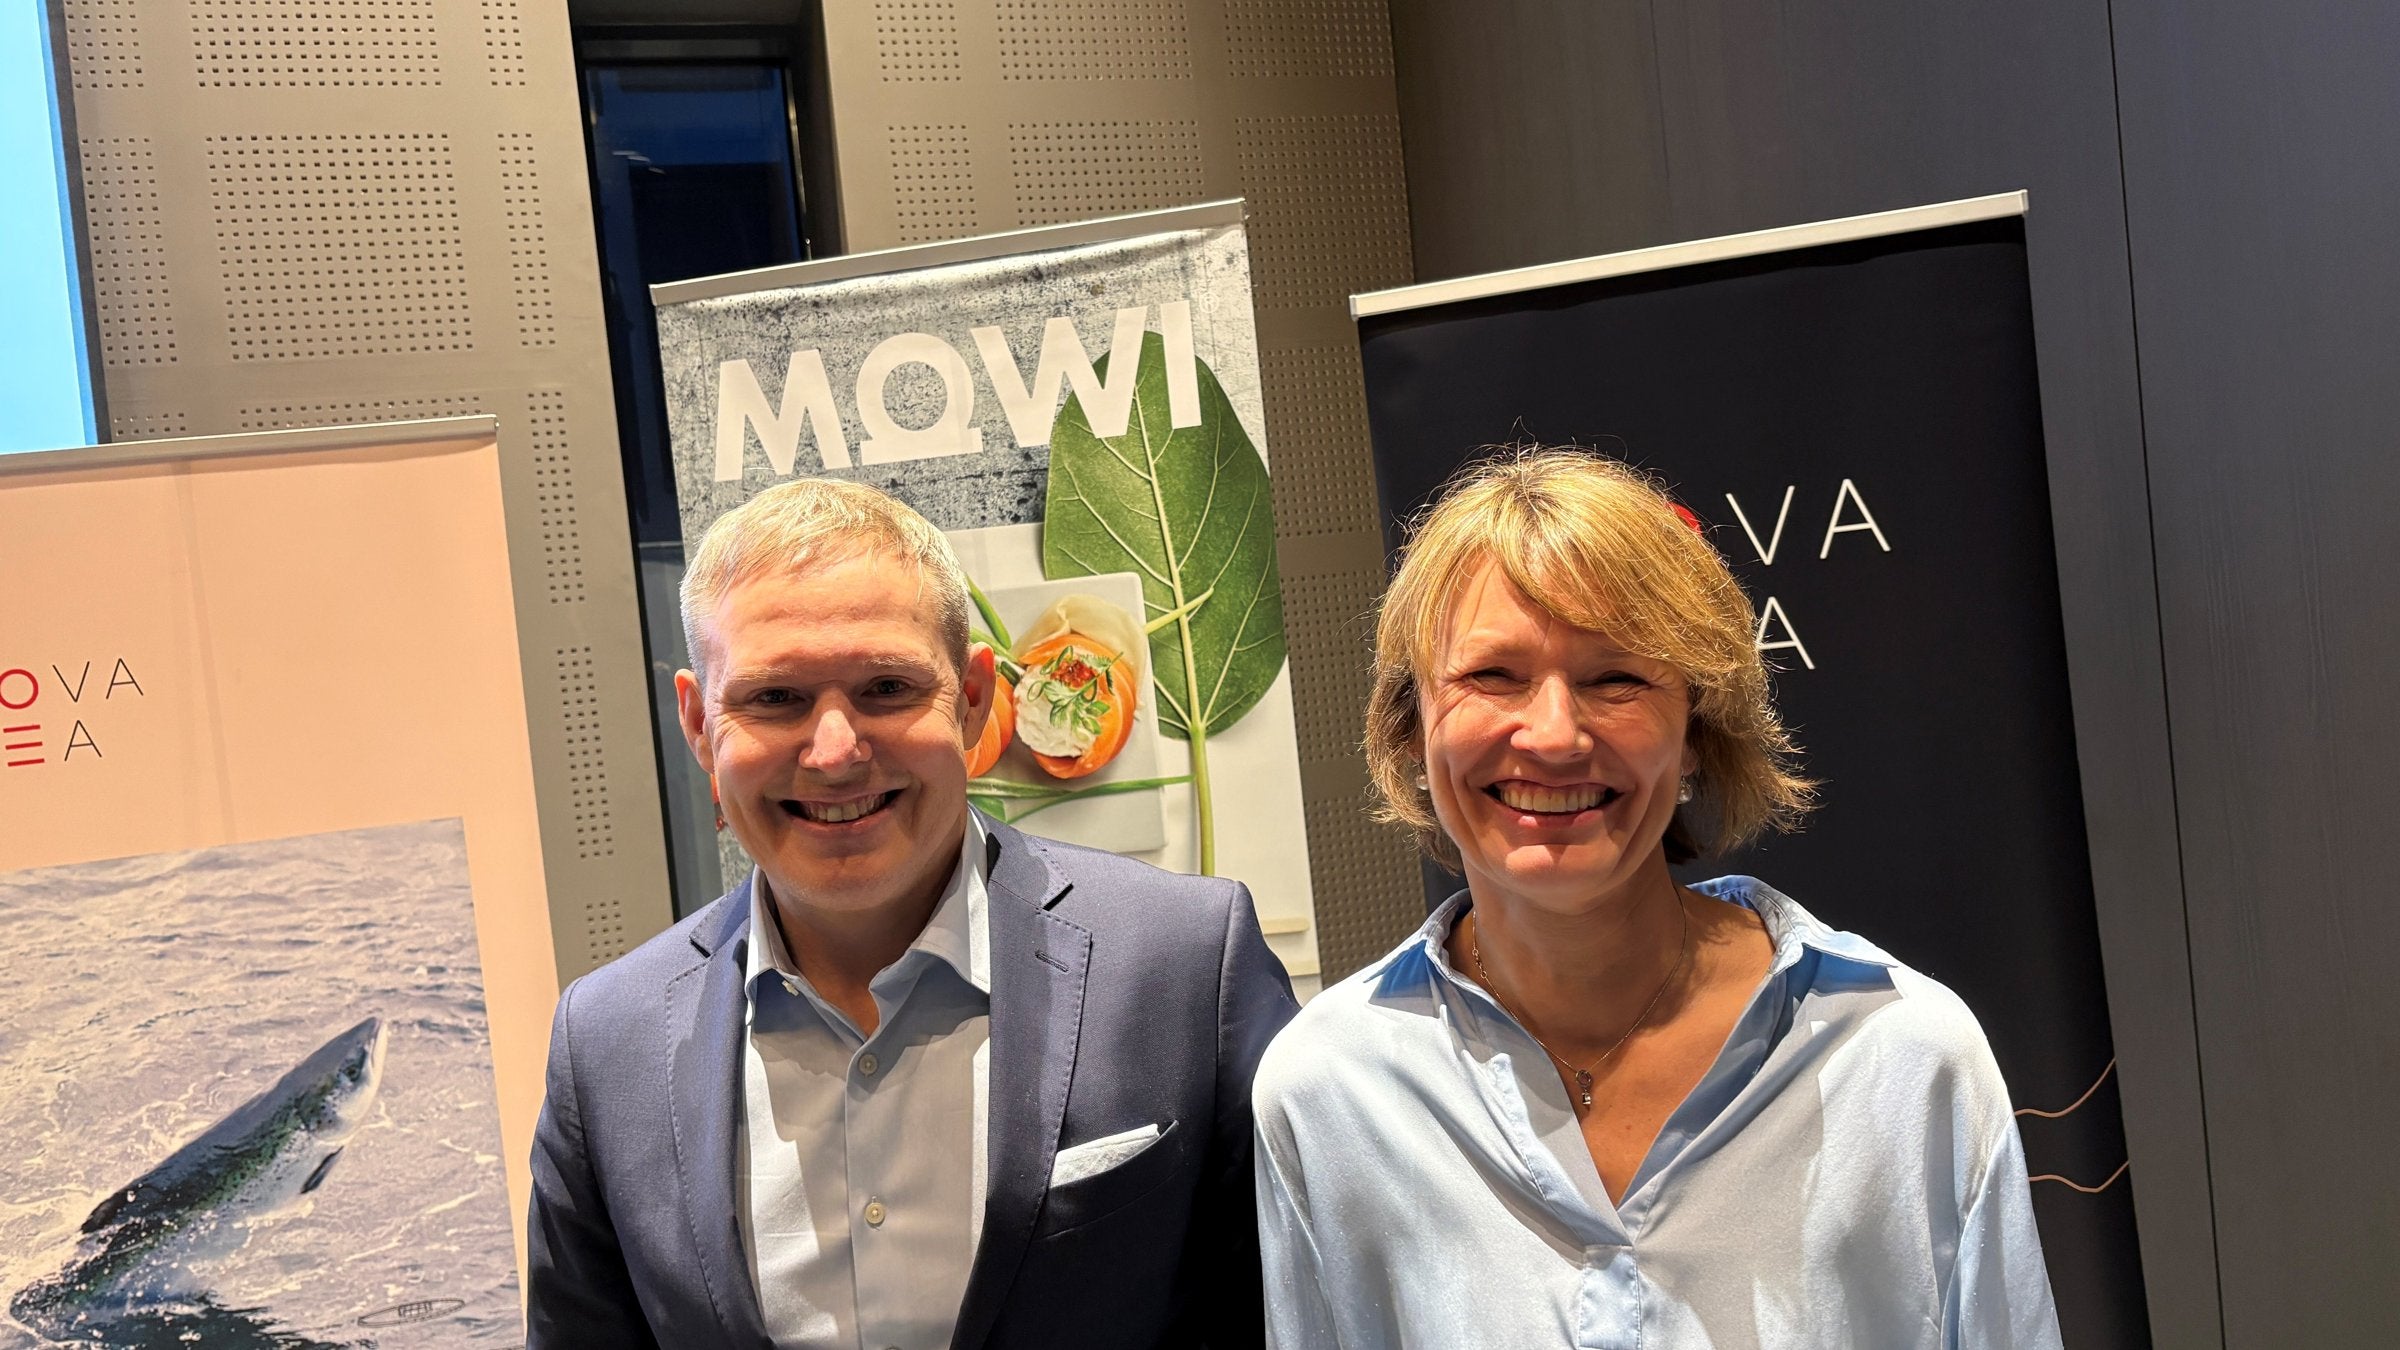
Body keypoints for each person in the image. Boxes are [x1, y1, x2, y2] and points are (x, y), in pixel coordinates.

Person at [1252, 449, 2062, 1349]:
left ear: (1695, 733)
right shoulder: (1328, 1090)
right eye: (1493, 675)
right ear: (1409, 727)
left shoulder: (1900, 1057)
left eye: (1616, 679)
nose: (1554, 735)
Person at [526, 478, 1297, 1350]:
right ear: (701, 725)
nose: (834, 752)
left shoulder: (1186, 965)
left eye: (887, 687)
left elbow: (1310, 1310)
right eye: (775, 699)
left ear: (972, 700)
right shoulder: (606, 1045)